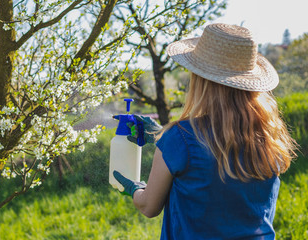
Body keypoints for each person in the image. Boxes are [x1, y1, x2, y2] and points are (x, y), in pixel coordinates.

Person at [113, 23, 297, 239]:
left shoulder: (180, 137)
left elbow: (149, 206)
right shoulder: (269, 138)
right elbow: (213, 149)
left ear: (201, 80)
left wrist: (134, 188)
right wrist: (160, 135)